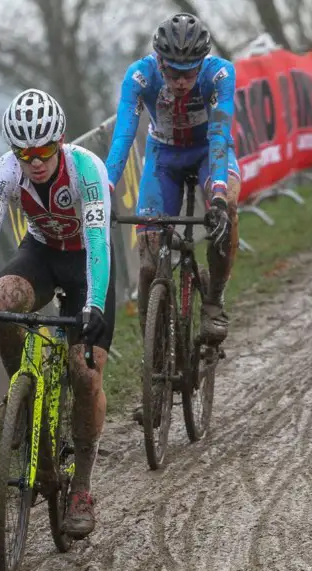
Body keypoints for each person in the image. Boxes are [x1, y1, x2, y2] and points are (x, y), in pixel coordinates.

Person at [0, 89, 114, 540]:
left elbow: (99, 243)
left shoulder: (86, 170)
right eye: (25, 153)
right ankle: (22, 395)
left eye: (43, 151)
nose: (35, 162)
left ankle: (80, 486)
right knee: (1, 300)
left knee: (85, 374)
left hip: (86, 265)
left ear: (59, 142)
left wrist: (94, 306)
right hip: (41, 253)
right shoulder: (3, 174)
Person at [105, 13, 240, 422]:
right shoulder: (140, 77)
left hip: (207, 155)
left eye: (189, 72)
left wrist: (216, 196)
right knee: (148, 259)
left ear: (202, 63)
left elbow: (220, 134)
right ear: (158, 61)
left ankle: (213, 301)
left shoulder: (219, 75)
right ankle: (155, 364)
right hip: (162, 158)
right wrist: (105, 189)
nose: (181, 81)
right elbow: (124, 136)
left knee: (227, 210)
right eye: (173, 72)